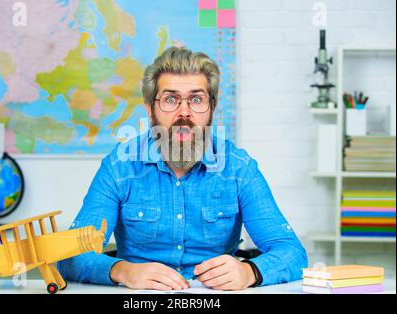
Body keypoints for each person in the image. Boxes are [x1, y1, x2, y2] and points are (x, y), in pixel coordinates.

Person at [57, 47, 308, 291]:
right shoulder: (119, 166)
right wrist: (123, 271)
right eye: (170, 99)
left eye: (197, 99)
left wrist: (248, 272)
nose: (184, 112)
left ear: (211, 108)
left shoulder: (239, 169)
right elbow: (69, 257)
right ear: (150, 109)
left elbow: (292, 252)